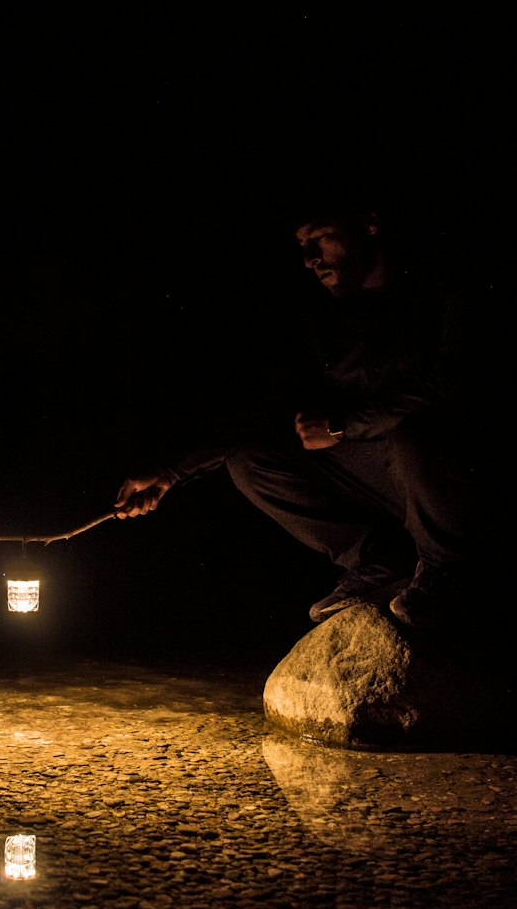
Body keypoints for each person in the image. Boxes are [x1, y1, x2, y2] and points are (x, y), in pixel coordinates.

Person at [112, 185, 502, 632]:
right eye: (302, 246)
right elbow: (265, 406)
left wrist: (340, 425)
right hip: (381, 475)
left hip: (451, 478)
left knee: (413, 436)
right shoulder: (325, 322)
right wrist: (170, 473)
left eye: (321, 238)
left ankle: (447, 571)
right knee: (249, 460)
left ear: (369, 226)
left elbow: (455, 386)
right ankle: (380, 559)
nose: (311, 259)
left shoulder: (442, 291)